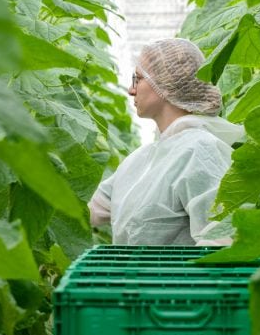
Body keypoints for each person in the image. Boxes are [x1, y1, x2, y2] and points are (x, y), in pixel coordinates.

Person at [88, 38, 244, 246]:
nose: (131, 90)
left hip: (179, 279)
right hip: (134, 279)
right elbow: (87, 210)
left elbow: (221, 237)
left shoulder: (199, 150)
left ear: (165, 83)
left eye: (138, 79)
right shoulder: (141, 160)